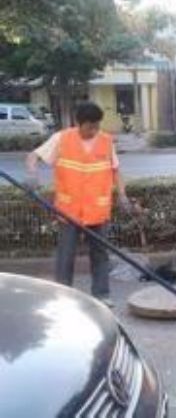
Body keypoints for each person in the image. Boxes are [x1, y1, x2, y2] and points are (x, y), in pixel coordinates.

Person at [26, 101, 131, 308]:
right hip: (69, 211)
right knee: (66, 255)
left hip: (98, 210)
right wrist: (32, 174)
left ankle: (101, 295)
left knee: (100, 254)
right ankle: (64, 296)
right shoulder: (62, 139)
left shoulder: (106, 141)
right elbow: (33, 156)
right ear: (79, 123)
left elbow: (115, 171)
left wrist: (123, 195)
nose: (94, 131)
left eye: (97, 126)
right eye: (90, 126)